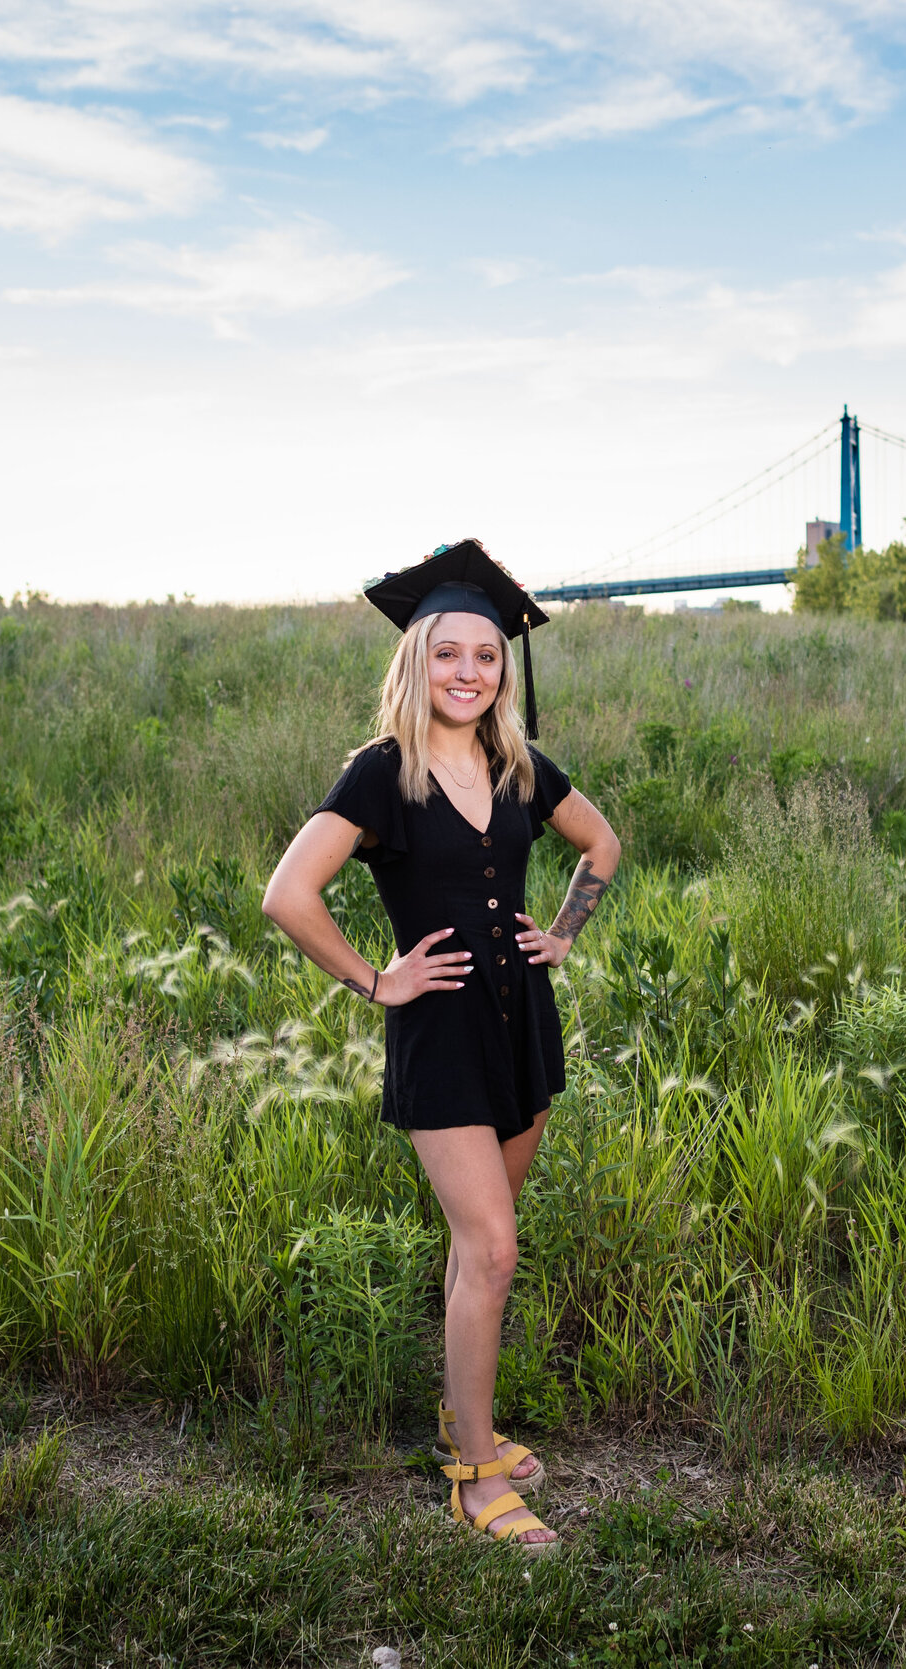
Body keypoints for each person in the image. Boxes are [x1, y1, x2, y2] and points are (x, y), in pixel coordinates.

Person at [261, 540, 621, 1554]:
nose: (470, 672)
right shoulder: (380, 775)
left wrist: (563, 932)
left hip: (524, 1028)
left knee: (486, 1255)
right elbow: (288, 896)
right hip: (443, 1038)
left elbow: (602, 843)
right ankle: (472, 1476)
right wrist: (376, 980)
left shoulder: (517, 766)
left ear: (504, 670)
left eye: (488, 656)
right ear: (416, 662)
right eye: (450, 654)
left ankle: (471, 1425)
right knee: (492, 1246)